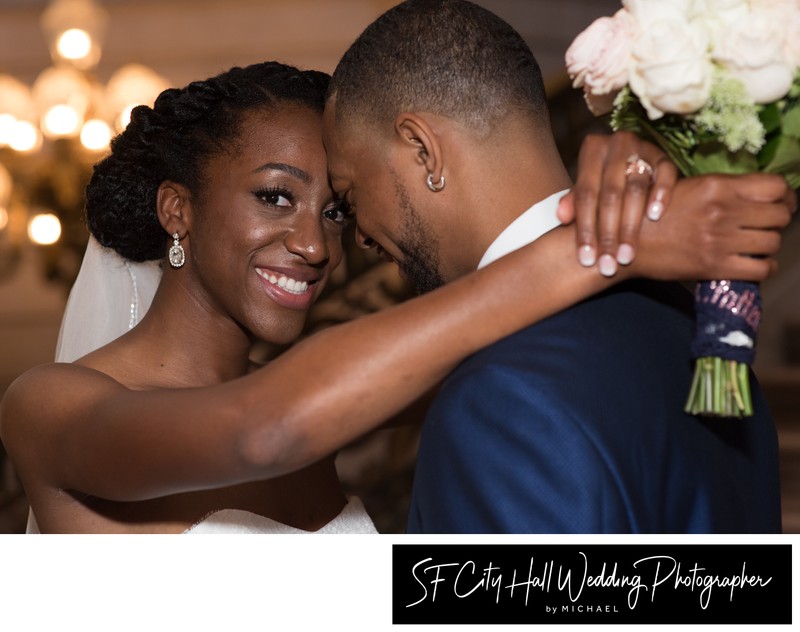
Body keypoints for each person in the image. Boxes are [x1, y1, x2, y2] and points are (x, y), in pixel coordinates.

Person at [0, 58, 788, 534]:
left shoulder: (342, 388)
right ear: (179, 210)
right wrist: (601, 249)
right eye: (277, 196)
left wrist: (629, 168)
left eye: (337, 209)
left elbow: (566, 361)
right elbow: (264, 432)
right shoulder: (50, 404)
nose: (318, 246)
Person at [323, 0, 794, 533]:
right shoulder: (698, 334)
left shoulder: (500, 399)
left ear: (423, 149)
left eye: (351, 194)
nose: (358, 236)